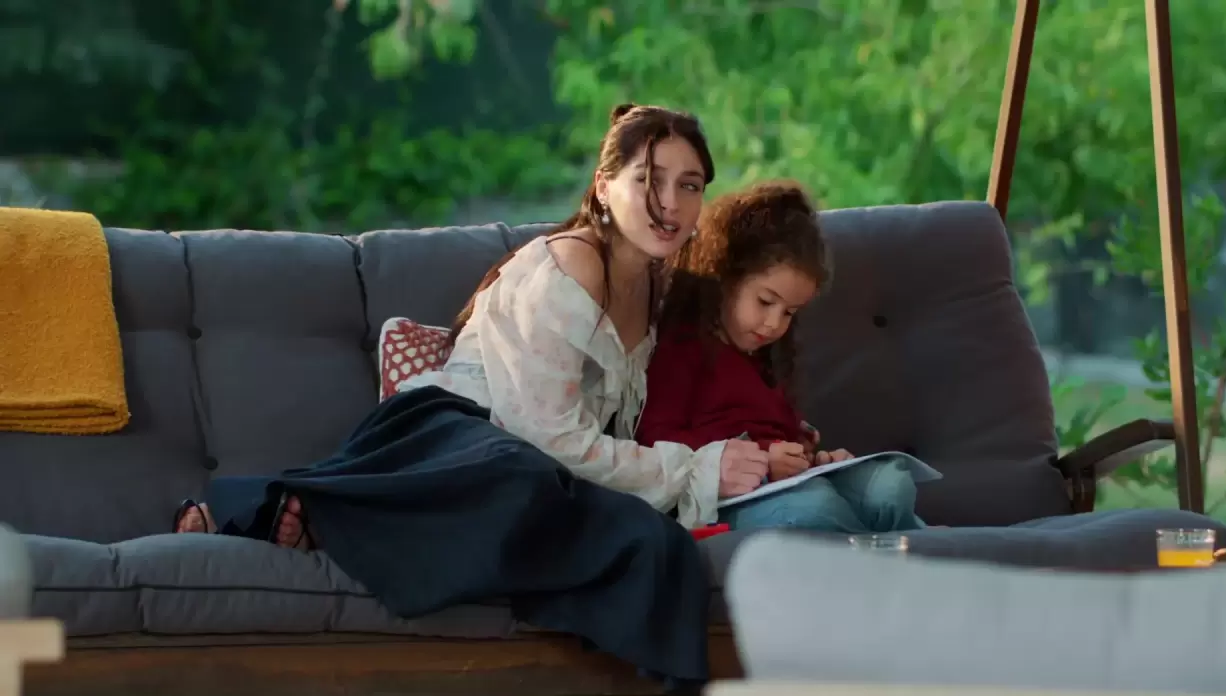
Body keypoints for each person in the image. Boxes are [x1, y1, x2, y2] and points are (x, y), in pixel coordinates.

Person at [173, 104, 771, 544]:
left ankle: (308, 522)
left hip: (528, 464)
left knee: (583, 511)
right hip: (453, 436)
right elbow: (546, 437)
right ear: (603, 187)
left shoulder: (659, 288)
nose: (670, 203)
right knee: (526, 480)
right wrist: (691, 469)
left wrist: (760, 450)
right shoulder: (574, 263)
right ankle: (275, 512)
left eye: (689, 186)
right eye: (648, 180)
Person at [635, 180, 928, 534]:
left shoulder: (767, 357)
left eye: (789, 312)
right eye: (765, 301)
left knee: (891, 486)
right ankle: (901, 545)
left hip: (794, 483)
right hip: (732, 494)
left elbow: (779, 434)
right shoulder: (684, 346)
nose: (774, 323)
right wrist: (763, 458)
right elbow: (655, 438)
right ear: (724, 278)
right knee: (816, 511)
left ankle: (909, 541)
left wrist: (812, 456)